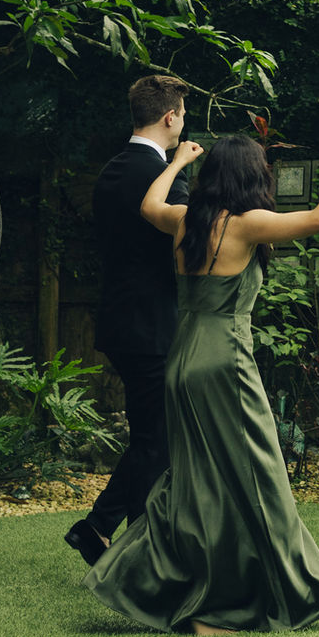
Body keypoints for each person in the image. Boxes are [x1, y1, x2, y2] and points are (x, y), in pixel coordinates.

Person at [84, 135, 319, 634]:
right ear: (253, 176)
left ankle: (184, 594)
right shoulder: (246, 225)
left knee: (198, 483)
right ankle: (237, 603)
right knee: (260, 478)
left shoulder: (186, 220)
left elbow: (148, 206)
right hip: (224, 363)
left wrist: (176, 162)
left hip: (182, 362)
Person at [66, 74, 191, 567]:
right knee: (157, 442)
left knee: (151, 437)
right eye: (183, 114)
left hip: (121, 320)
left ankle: (104, 530)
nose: (184, 123)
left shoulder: (112, 170)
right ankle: (132, 548)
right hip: (153, 325)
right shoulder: (163, 175)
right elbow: (189, 240)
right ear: (169, 116)